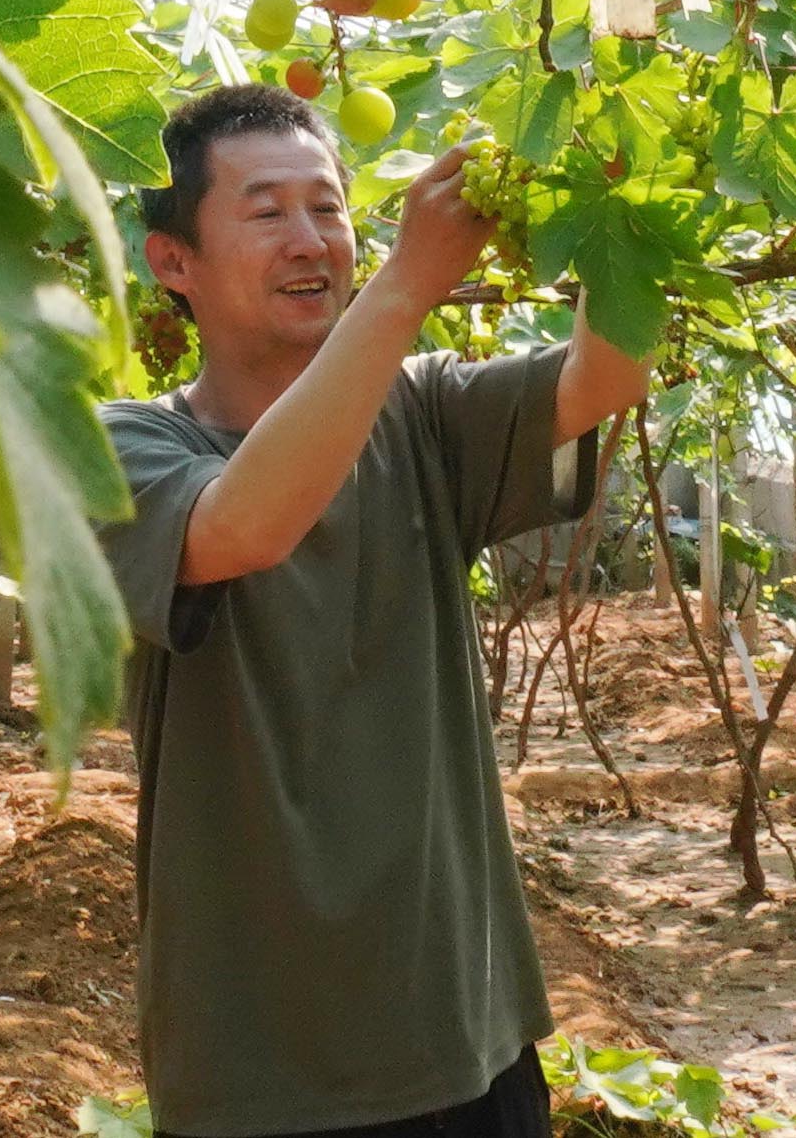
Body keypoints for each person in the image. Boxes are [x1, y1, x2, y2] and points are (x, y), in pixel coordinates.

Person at [106, 80, 654, 1138]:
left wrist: (605, 211)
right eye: (265, 212)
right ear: (172, 262)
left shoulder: (426, 411)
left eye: (328, 207)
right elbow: (241, 527)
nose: (310, 240)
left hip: (462, 1035)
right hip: (258, 1070)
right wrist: (402, 287)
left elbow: (609, 374)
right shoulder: (114, 451)